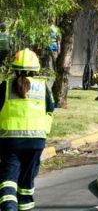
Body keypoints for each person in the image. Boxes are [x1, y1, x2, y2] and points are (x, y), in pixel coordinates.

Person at [0, 49, 54, 211]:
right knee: (26, 183)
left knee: (8, 178)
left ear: (14, 68)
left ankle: (9, 207)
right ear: (35, 68)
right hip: (36, 142)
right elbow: (50, 110)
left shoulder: (6, 85)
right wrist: (44, 131)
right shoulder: (43, 87)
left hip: (11, 142)